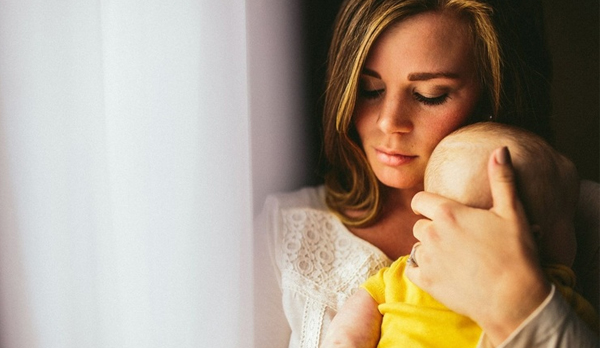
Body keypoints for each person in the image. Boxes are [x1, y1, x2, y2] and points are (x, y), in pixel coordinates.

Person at [254, 0, 599, 347]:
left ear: (491, 96)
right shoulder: (282, 230)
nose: (389, 122)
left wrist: (521, 305)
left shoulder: (578, 216)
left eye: (429, 95)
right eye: (369, 90)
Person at [320, 122, 598, 348]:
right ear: (533, 238)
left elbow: (360, 311)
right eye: (569, 219)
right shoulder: (560, 300)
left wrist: (346, 338)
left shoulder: (406, 272)